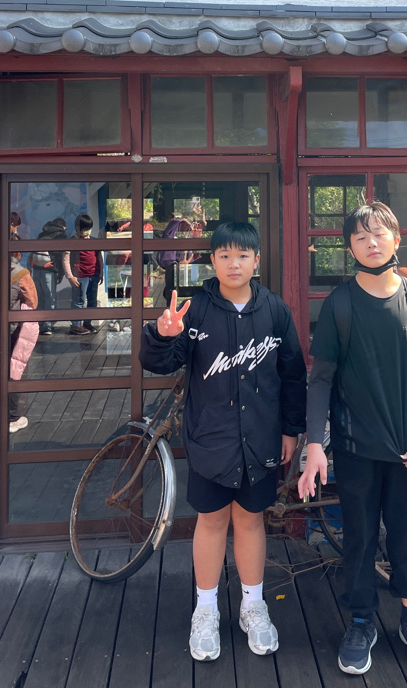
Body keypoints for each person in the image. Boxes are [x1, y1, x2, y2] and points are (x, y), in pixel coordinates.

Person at [139, 221, 306, 662]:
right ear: (211, 261)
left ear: (256, 260)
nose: (234, 264)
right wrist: (161, 336)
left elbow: (292, 374)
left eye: (243, 256)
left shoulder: (275, 310)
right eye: (225, 255)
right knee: (211, 521)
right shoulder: (195, 310)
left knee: (251, 521)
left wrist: (291, 430)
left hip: (261, 439)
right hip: (210, 438)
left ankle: (253, 606)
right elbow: (162, 363)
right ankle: (206, 610)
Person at [298, 201, 407, 677]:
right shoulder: (339, 305)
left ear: (396, 239)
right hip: (355, 448)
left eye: (378, 234)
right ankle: (361, 621)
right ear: (350, 247)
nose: (371, 243)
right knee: (360, 538)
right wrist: (315, 444)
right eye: (360, 237)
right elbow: (321, 379)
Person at [9, 251, 39, 433]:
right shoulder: (20, 273)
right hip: (12, 327)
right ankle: (12, 418)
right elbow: (33, 302)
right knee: (13, 371)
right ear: (18, 253)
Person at [62, 214, 103, 335]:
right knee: (78, 301)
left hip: (94, 275)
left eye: (89, 229)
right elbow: (65, 259)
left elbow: (99, 257)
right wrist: (70, 276)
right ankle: (76, 325)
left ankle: (87, 323)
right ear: (77, 228)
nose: (87, 232)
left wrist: (101, 273)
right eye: (85, 229)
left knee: (92, 301)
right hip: (79, 277)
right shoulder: (72, 241)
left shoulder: (94, 241)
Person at [29, 216, 66, 336]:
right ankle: (48, 325)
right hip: (49, 270)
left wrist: (29, 268)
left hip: (36, 269)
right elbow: (61, 257)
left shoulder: (41, 234)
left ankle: (39, 324)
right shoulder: (61, 236)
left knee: (39, 297)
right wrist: (60, 274)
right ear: (63, 227)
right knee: (50, 297)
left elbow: (32, 252)